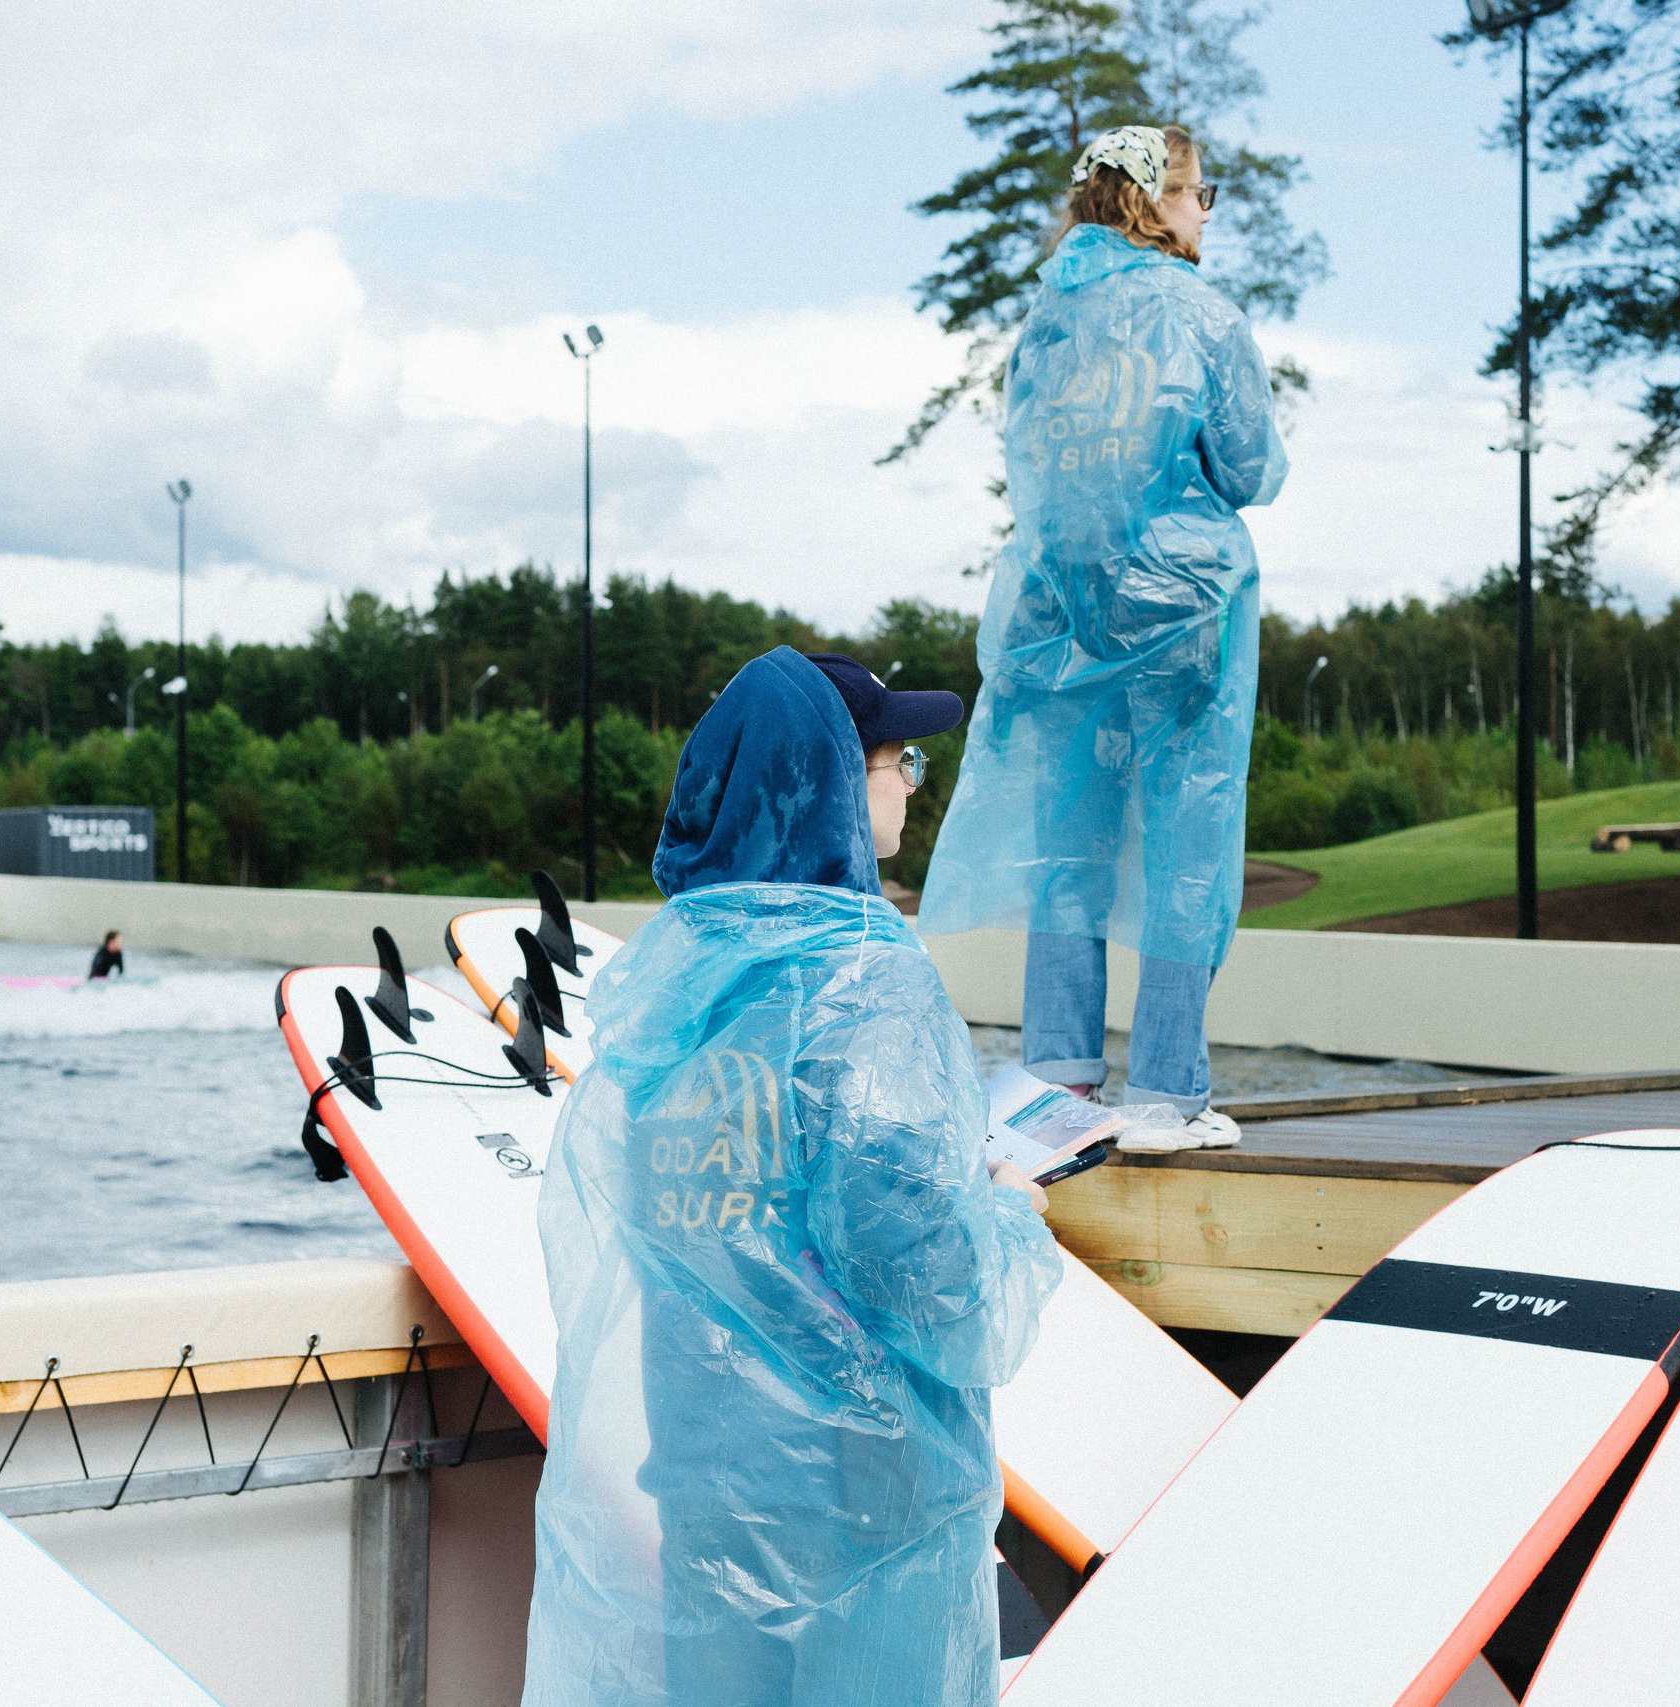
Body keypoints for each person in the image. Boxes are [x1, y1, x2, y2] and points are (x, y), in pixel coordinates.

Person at [522, 645, 1063, 1707]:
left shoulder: (674, 983)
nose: (910, 784)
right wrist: (1007, 1213)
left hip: (706, 1491)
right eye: (897, 760)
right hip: (868, 1510)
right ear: (828, 778)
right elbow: (932, 1285)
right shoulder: (863, 982)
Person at [919, 123, 1286, 1153]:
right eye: (1200, 195)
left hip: (1058, 607)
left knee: (1065, 842)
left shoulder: (1046, 323)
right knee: (1186, 839)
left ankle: (1057, 1083)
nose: (1205, 212)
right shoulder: (1200, 313)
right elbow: (1250, 467)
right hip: (1179, 599)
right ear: (1158, 199)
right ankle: (1166, 1095)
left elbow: (1037, 469)